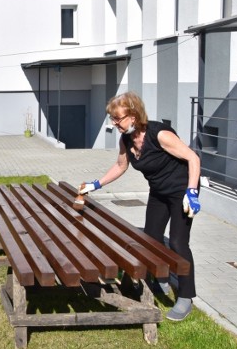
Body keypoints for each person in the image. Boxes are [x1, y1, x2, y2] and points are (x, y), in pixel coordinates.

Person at [78, 91, 201, 321]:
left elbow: (193, 158)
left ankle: (185, 296)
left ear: (133, 116)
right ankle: (160, 281)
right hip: (158, 192)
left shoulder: (160, 135)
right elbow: (120, 166)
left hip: (181, 192)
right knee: (151, 238)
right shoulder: (126, 139)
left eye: (118, 119)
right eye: (112, 119)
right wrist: (95, 184)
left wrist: (192, 192)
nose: (114, 124)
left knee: (177, 242)